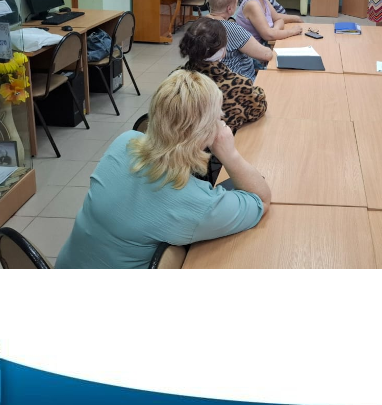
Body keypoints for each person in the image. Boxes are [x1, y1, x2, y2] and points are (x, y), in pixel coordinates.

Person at [56, 70, 272, 269]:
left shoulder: (124, 142)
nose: (222, 120)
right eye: (217, 117)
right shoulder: (195, 203)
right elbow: (261, 200)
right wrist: (230, 154)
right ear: (204, 132)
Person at [179, 18, 267, 131]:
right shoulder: (238, 85)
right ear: (222, 49)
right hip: (222, 140)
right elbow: (259, 108)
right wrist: (258, 91)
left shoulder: (175, 79)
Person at [206, 0, 274, 82]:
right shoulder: (231, 29)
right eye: (236, 3)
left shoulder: (198, 25)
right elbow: (266, 55)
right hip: (239, 81)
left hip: (210, 81)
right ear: (229, 9)